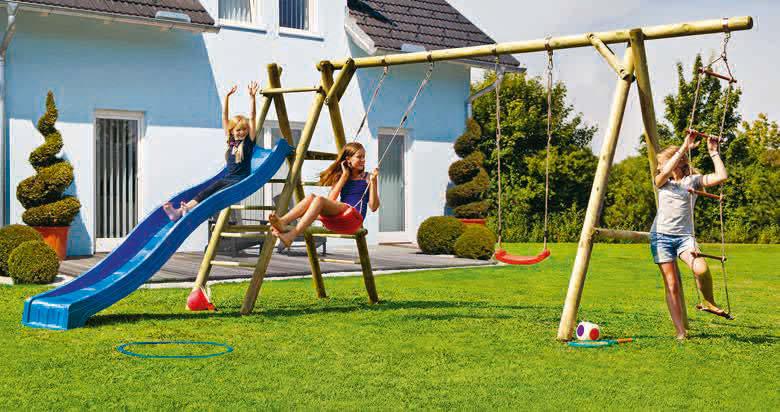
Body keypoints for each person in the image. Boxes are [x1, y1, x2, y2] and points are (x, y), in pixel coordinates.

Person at [650, 131, 730, 340]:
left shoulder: (692, 181)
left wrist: (713, 152)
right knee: (672, 285)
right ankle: (680, 332)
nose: (659, 167)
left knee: (701, 269)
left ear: (677, 162)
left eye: (661, 163)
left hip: (685, 238)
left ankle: (709, 302)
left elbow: (721, 176)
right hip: (661, 237)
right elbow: (663, 173)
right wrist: (684, 147)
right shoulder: (662, 182)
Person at [163, 82, 260, 221]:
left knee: (214, 196)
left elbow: (253, 117)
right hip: (227, 178)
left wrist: (252, 98)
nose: (242, 132)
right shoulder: (231, 142)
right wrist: (227, 97)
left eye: (244, 129)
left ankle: (189, 212)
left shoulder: (248, 143)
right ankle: (179, 212)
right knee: (206, 191)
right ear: (232, 131)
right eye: (238, 130)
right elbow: (224, 117)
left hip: (240, 180)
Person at [269, 142, 379, 247]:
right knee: (311, 197)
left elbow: (373, 207)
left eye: (364, 157)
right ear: (348, 159)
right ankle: (283, 221)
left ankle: (291, 235)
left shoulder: (368, 177)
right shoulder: (341, 176)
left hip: (353, 219)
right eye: (359, 157)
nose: (363, 160)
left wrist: (373, 182)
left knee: (319, 200)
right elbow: (331, 200)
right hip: (337, 219)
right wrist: (344, 176)